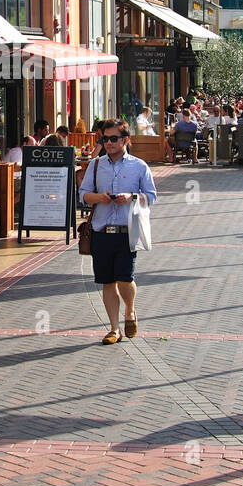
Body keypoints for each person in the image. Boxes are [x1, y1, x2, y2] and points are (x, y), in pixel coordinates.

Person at [79, 119, 157, 345]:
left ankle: (130, 311)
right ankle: (114, 329)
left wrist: (131, 197)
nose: (109, 143)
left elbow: (151, 197)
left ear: (125, 140)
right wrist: (99, 198)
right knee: (107, 282)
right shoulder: (95, 165)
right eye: (105, 139)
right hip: (101, 231)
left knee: (125, 278)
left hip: (127, 231)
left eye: (114, 139)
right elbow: (83, 194)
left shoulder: (139, 166)